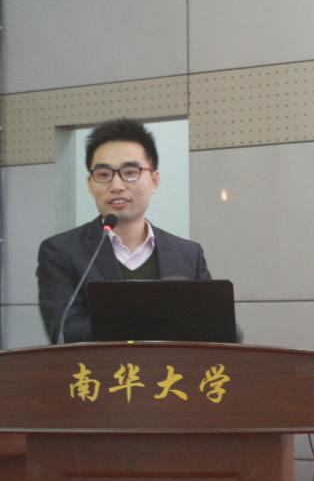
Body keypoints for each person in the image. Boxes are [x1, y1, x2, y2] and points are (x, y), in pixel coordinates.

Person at [37, 118, 212, 344]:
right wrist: (162, 314)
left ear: (154, 181)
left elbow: (218, 330)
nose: (117, 186)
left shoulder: (188, 254)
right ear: (90, 184)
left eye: (130, 172)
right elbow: (66, 333)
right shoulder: (61, 252)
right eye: (103, 175)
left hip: (173, 368)